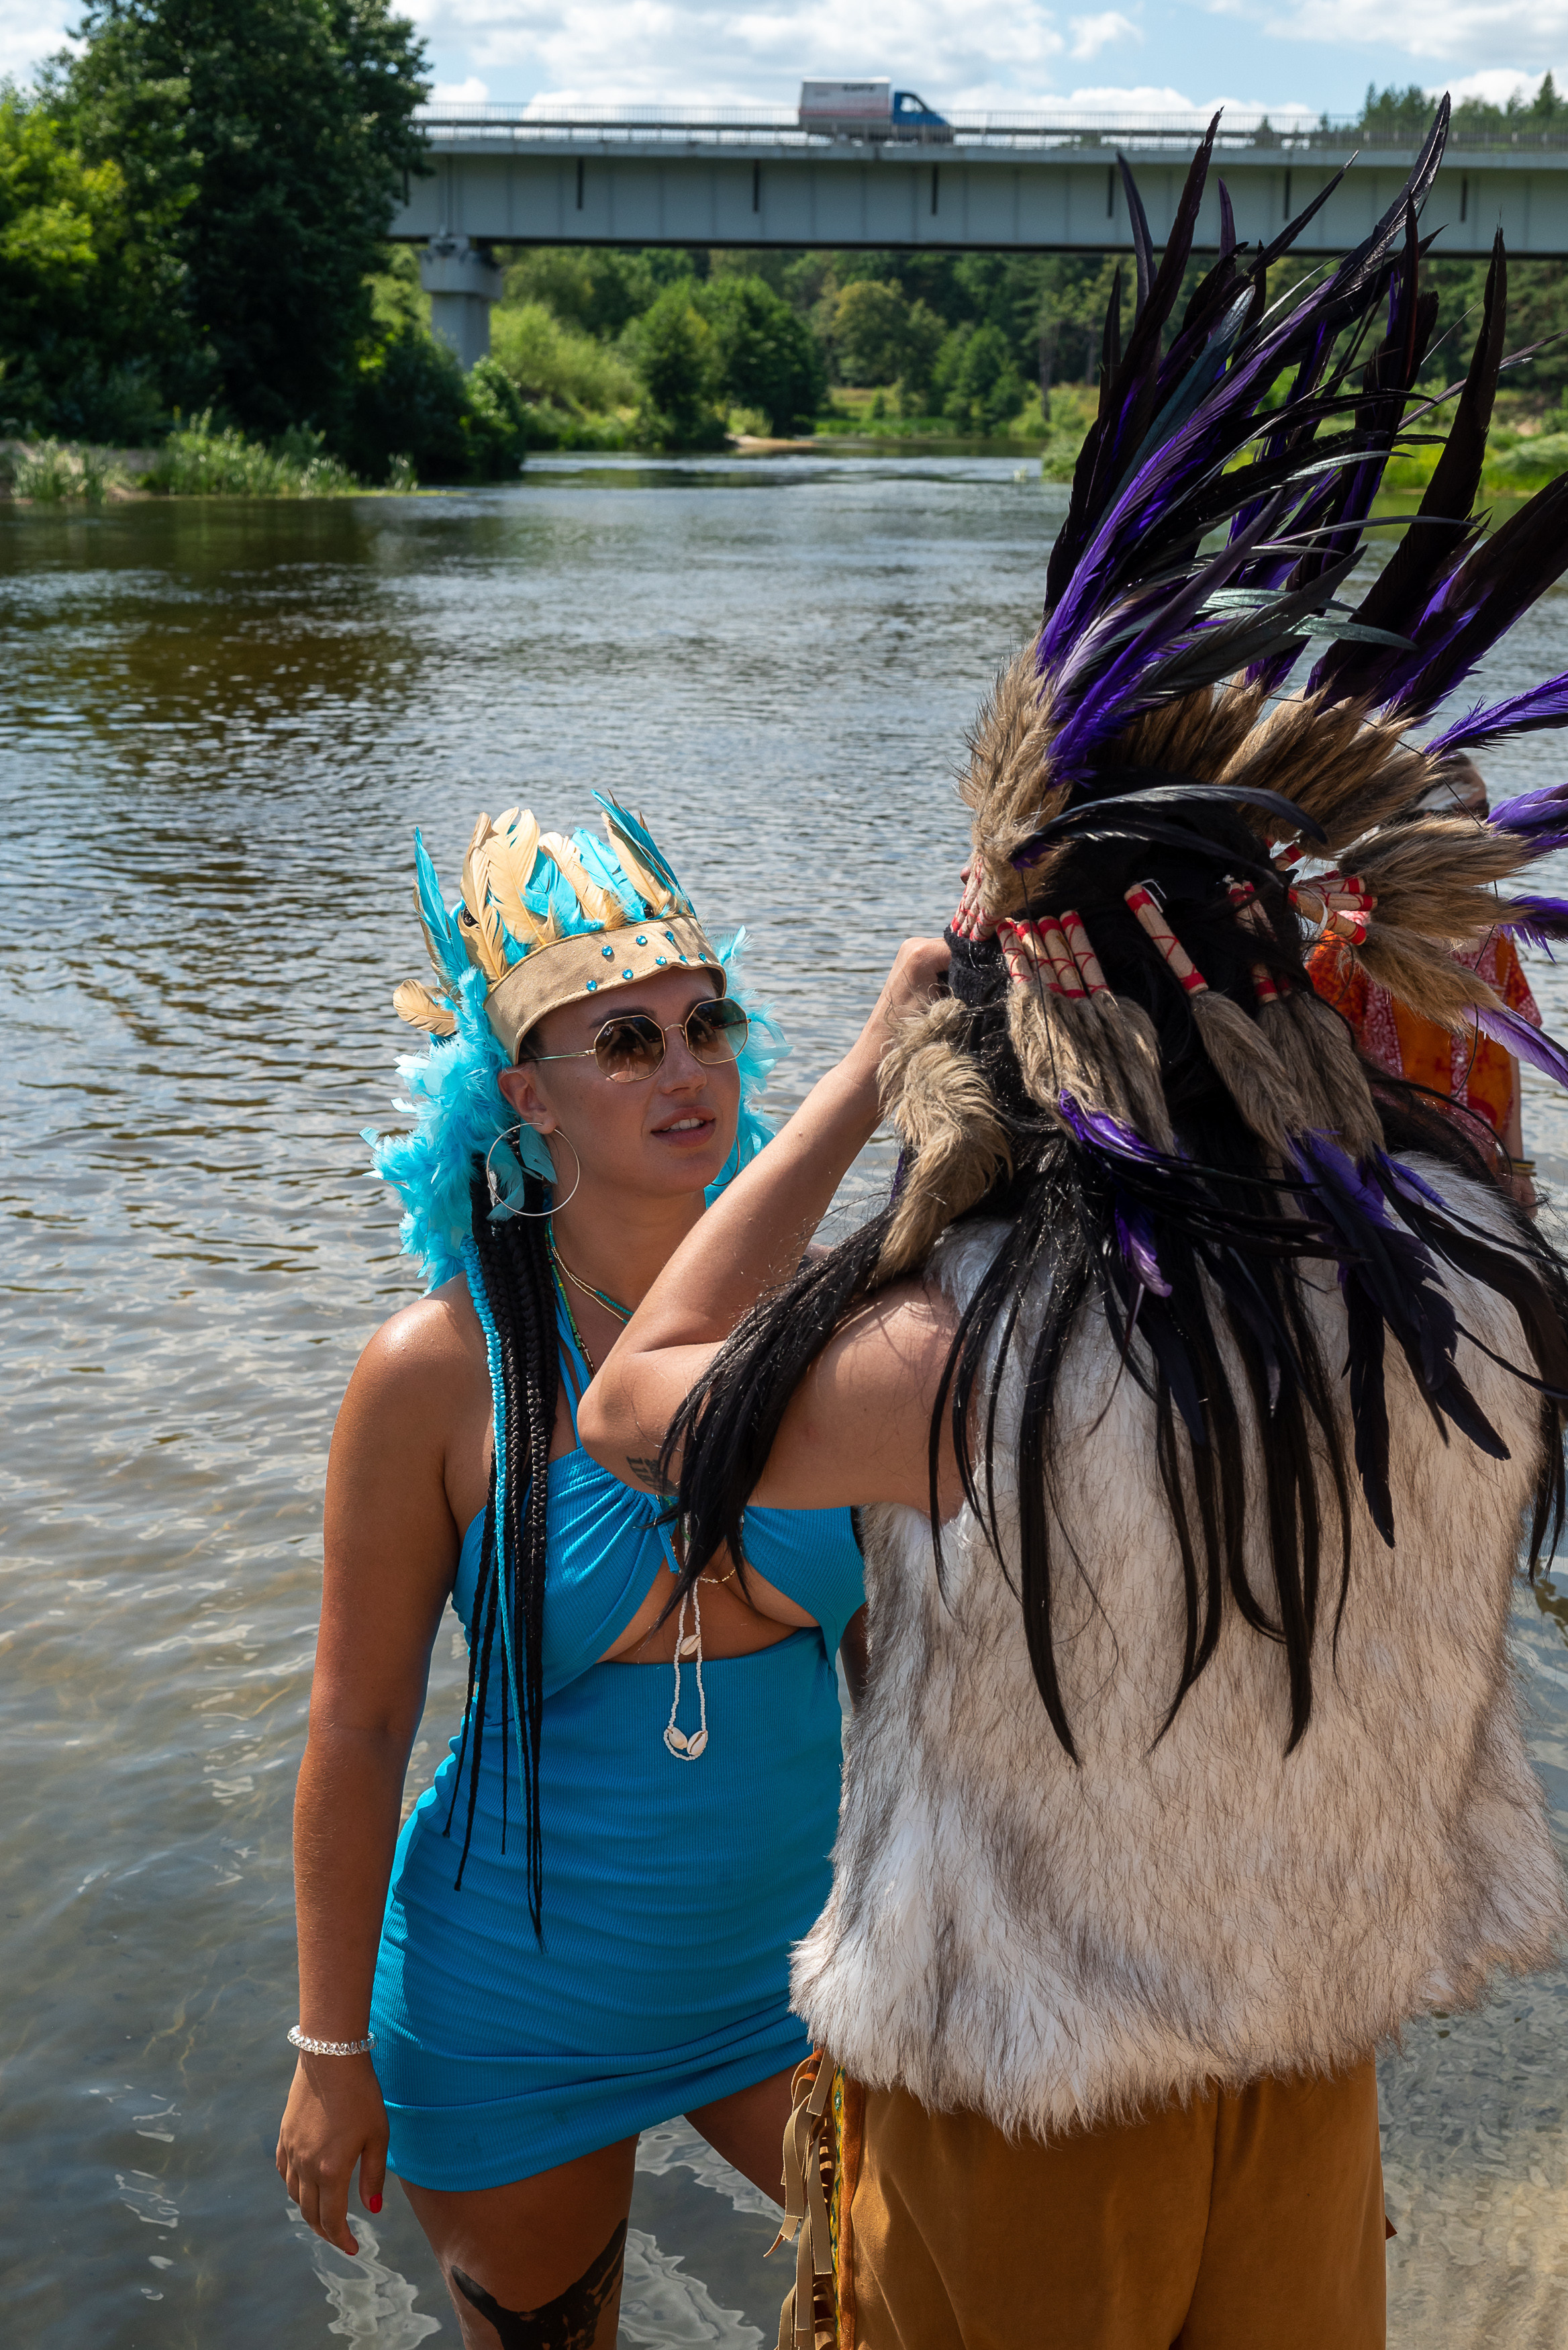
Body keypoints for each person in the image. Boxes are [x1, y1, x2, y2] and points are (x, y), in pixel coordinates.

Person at [580, 113, 1568, 2350]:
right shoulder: (1472, 1291)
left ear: (1037, 999)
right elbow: (1440, 1086)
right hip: (1305, 2075)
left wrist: (856, 1072)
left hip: (1024, 2123)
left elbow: (641, 1401)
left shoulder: (995, 1357)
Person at [275, 796, 869, 2349]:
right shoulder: (435, 1372)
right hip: (513, 2006)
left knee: (933, 2291)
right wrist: (326, 2046)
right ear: (523, 1095)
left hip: (792, 1976)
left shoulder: (831, 1323)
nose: (682, 1069)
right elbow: (353, 1727)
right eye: (623, 1044)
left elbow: (921, 1680)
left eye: (701, 1022)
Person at [1306, 757, 1542, 1211]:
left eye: (1486, 812)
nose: (1484, 831)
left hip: (1482, 1166)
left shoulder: (1492, 928)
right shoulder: (1354, 934)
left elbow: (1510, 1048)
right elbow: (1318, 1057)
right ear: (1416, 831)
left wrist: (1518, 1164)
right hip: (1395, 1171)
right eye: (1465, 818)